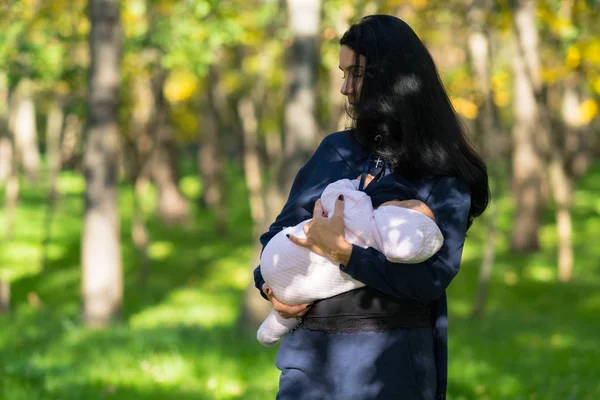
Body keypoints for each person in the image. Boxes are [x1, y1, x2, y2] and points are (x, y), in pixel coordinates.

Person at [253, 14, 489, 400]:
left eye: (356, 73)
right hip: (308, 364)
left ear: (393, 77)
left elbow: (428, 280)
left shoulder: (443, 172)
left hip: (391, 366)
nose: (345, 88)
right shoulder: (336, 151)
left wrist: (343, 253)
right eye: (343, 73)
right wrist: (269, 288)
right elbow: (277, 234)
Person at [257, 175, 444, 346]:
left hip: (278, 258)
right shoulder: (380, 254)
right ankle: (277, 323)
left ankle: (275, 323)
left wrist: (355, 183)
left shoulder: (360, 213)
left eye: (403, 204)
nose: (398, 200)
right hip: (300, 295)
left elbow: (333, 194)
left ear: (393, 215)